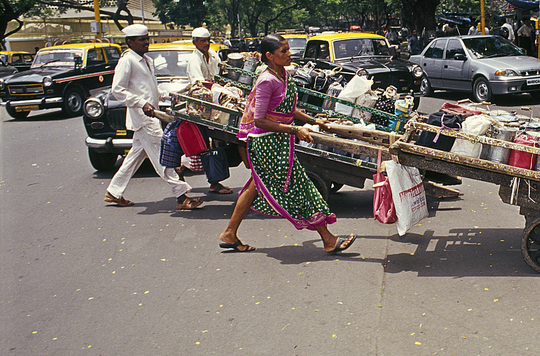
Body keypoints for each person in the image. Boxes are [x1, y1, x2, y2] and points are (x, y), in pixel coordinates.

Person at [218, 34, 357, 254]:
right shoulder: (266, 80)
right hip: (266, 144)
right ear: (269, 56)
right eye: (283, 51)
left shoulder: (282, 73)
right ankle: (329, 239)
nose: (289, 54)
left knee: (255, 186)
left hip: (279, 142)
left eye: (288, 49)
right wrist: (295, 129)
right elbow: (260, 119)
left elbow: (287, 108)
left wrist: (313, 120)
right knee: (301, 187)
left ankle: (229, 232)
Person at [104, 24, 201, 210]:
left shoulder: (146, 60)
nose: (146, 42)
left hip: (150, 115)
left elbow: (150, 88)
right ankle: (181, 196)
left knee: (135, 156)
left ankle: (114, 192)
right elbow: (118, 90)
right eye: (141, 40)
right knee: (162, 156)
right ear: (130, 42)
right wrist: (141, 103)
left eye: (147, 38)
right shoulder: (127, 61)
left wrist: (168, 96)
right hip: (143, 118)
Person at [184, 27, 233, 195]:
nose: (206, 43)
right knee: (207, 143)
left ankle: (213, 179)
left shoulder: (212, 54)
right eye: (202, 41)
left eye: (207, 40)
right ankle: (212, 181)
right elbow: (198, 83)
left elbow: (220, 73)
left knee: (213, 142)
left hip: (215, 99)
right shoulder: (193, 60)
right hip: (203, 104)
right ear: (194, 42)